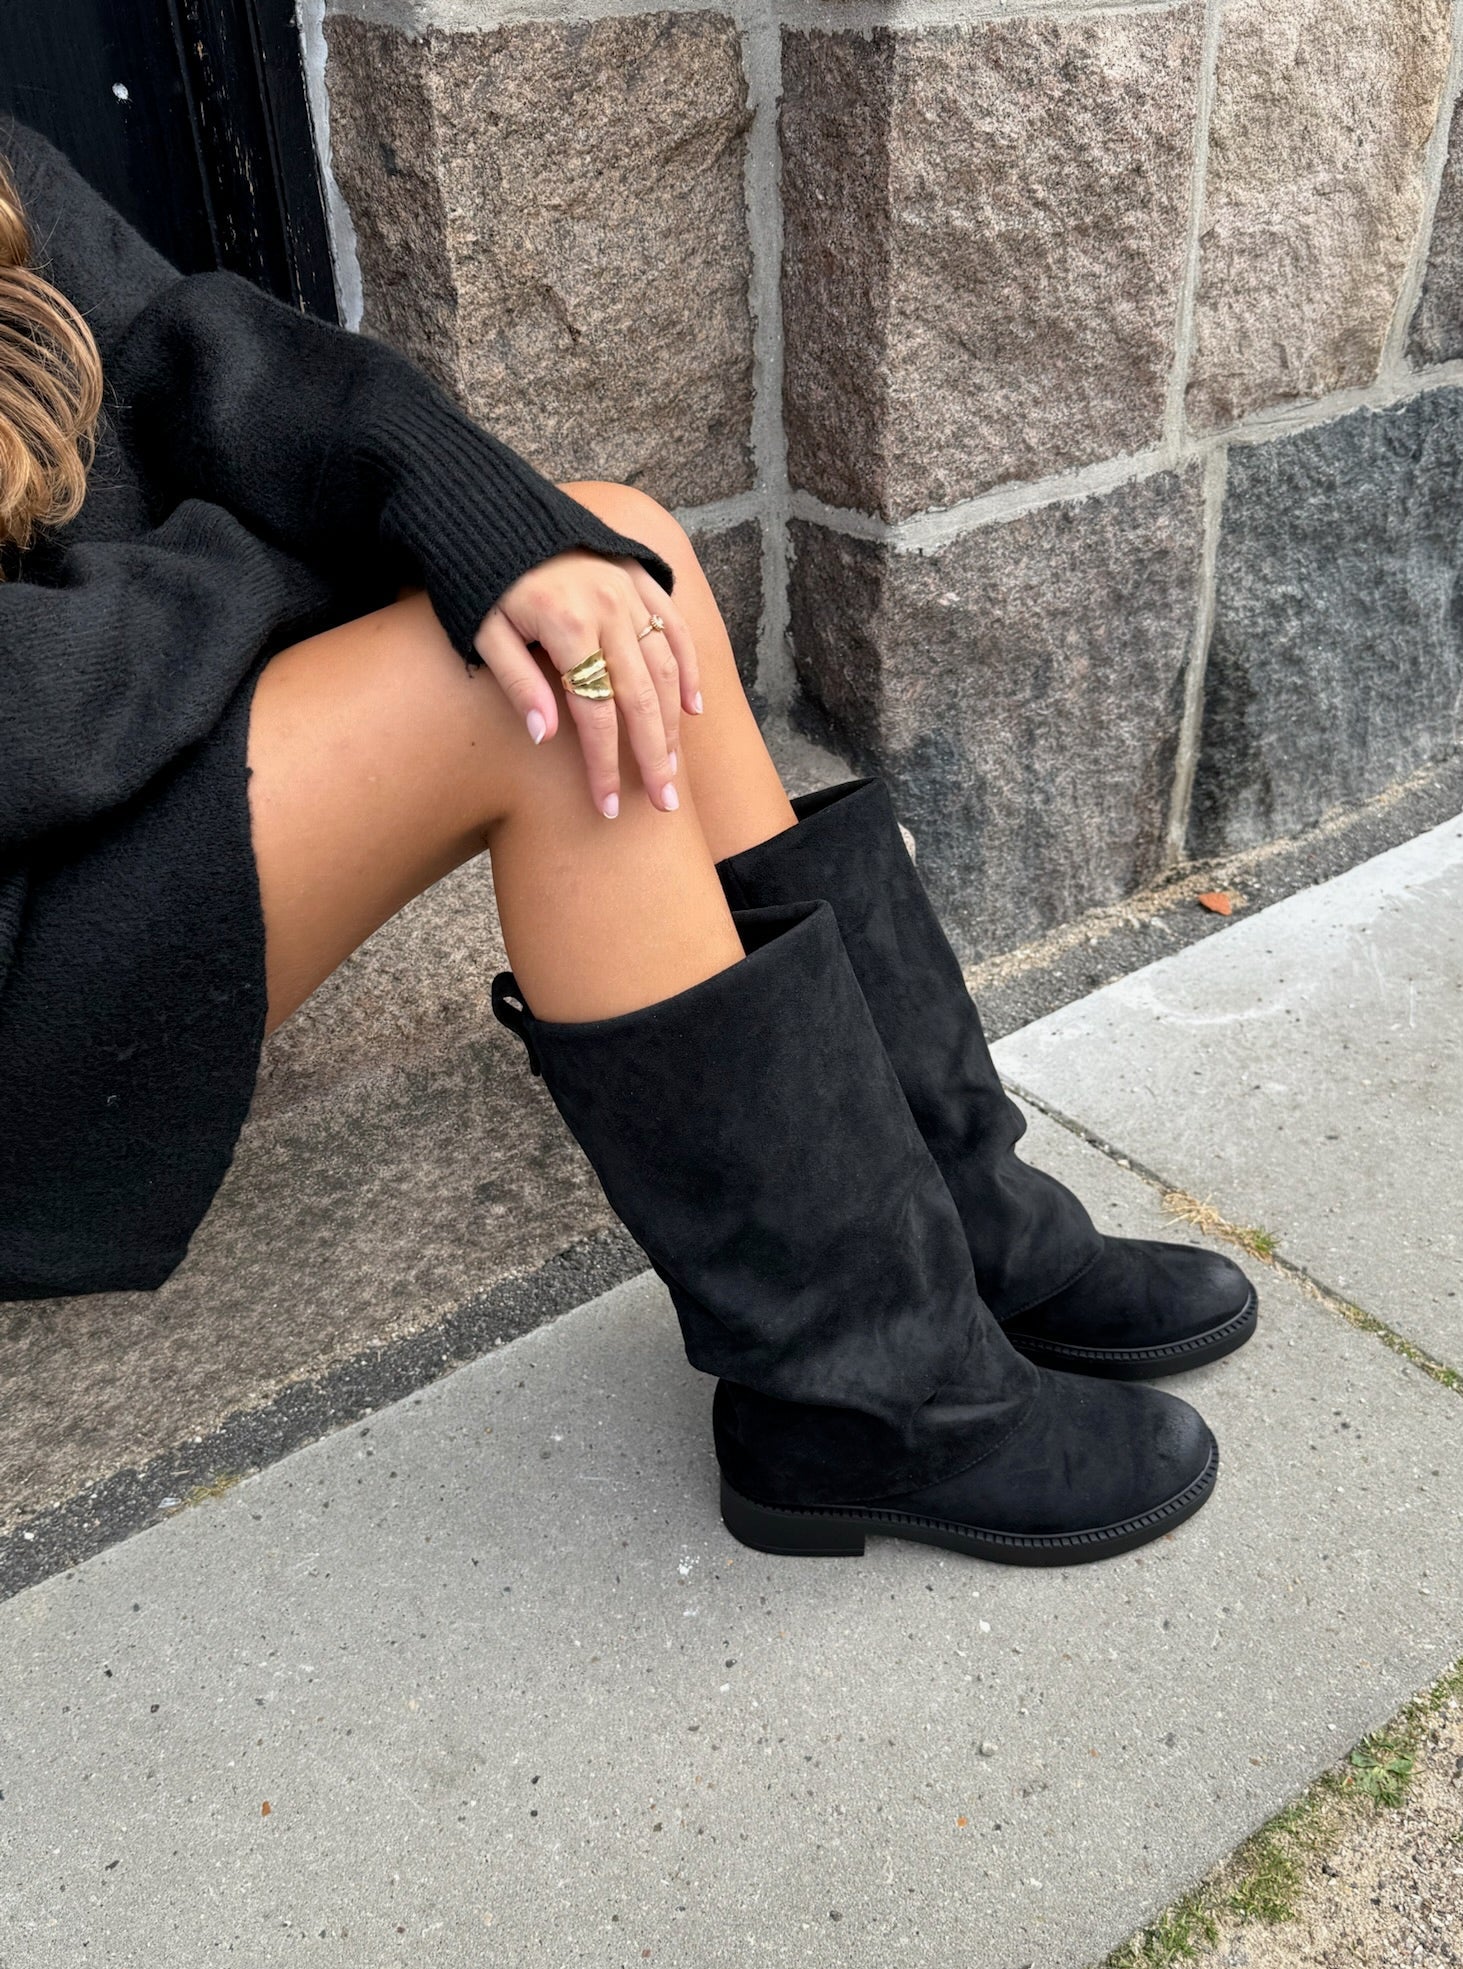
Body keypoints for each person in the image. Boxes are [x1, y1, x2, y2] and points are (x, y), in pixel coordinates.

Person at [0, 118, 1256, 1568]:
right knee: (541, 703)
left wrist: (488, 521)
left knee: (614, 554)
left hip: (100, 758)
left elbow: (190, 347)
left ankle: (966, 1226)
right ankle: (864, 1399)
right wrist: (263, 578)